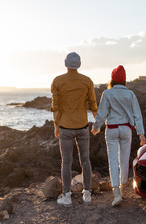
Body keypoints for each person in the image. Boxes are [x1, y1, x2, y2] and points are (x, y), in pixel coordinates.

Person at [91, 65, 146, 207]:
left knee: (113, 161)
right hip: (126, 129)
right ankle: (122, 189)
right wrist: (141, 135)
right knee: (124, 160)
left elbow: (102, 114)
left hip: (112, 129)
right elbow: (137, 115)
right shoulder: (130, 94)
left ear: (112, 79)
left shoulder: (107, 93)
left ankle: (116, 194)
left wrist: (96, 127)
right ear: (124, 80)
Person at [50, 52, 98, 207]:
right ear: (79, 64)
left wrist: (56, 126)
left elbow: (55, 108)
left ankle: (67, 196)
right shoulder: (87, 81)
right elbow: (93, 105)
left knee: (66, 162)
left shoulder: (57, 81)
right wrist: (97, 125)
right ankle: (87, 194)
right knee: (85, 160)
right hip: (83, 127)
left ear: (66, 64)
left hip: (65, 127)